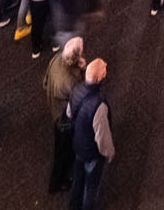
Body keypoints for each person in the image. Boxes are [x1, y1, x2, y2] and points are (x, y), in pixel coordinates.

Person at [67, 58, 115, 210]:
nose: (105, 71)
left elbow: (69, 113)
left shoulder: (76, 89)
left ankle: (73, 205)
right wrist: (109, 153)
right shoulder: (99, 105)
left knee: (78, 179)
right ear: (99, 79)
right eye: (104, 71)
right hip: (92, 153)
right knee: (91, 187)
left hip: (78, 144)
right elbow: (102, 138)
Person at [46, 37, 87, 194]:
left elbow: (46, 80)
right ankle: (57, 182)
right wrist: (83, 71)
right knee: (64, 153)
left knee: (61, 149)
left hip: (55, 109)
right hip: (64, 121)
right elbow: (77, 100)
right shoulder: (70, 80)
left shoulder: (56, 60)